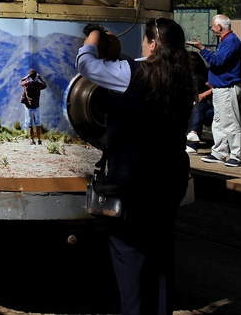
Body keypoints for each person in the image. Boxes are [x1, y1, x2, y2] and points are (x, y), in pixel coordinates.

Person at [76, 18, 195, 315]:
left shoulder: (132, 74)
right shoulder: (182, 76)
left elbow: (86, 65)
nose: (142, 44)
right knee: (161, 254)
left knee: (130, 257)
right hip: (170, 178)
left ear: (153, 44)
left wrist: (92, 36)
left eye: (144, 40)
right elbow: (138, 63)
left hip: (133, 181)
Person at [186, 14, 241, 167]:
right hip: (220, 88)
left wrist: (202, 48)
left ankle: (236, 155)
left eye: (212, 26)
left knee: (230, 122)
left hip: (226, 87)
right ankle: (219, 152)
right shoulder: (227, 41)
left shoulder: (231, 41)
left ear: (219, 27)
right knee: (218, 123)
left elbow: (217, 61)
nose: (211, 29)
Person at [19, 68, 46, 144]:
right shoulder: (38, 84)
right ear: (36, 76)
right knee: (38, 124)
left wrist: (26, 77)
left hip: (29, 106)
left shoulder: (26, 84)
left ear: (29, 76)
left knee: (30, 125)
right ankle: (39, 140)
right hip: (36, 106)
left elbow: (21, 82)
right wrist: (40, 78)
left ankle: (32, 140)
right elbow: (45, 85)